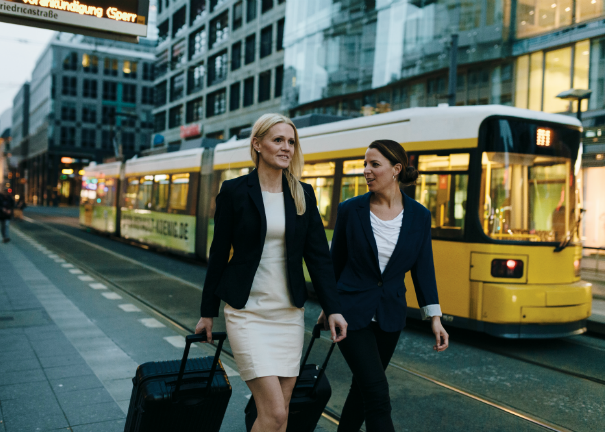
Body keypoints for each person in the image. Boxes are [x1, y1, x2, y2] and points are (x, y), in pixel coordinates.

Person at [196, 113, 347, 432]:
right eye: (278, 140)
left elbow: (318, 256)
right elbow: (219, 254)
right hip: (247, 313)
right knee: (275, 413)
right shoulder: (235, 191)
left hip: (288, 315)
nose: (287, 147)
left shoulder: (302, 193)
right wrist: (207, 312)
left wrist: (332, 308)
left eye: (291, 142)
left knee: (282, 414)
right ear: (257, 144)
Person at [318, 139, 449, 432]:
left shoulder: (419, 215)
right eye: (365, 164)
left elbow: (423, 269)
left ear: (396, 170)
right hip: (351, 316)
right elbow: (333, 263)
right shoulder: (351, 210)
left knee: (361, 388)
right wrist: (329, 306)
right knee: (377, 394)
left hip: (390, 315)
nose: (366, 170)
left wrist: (435, 318)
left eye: (374, 164)